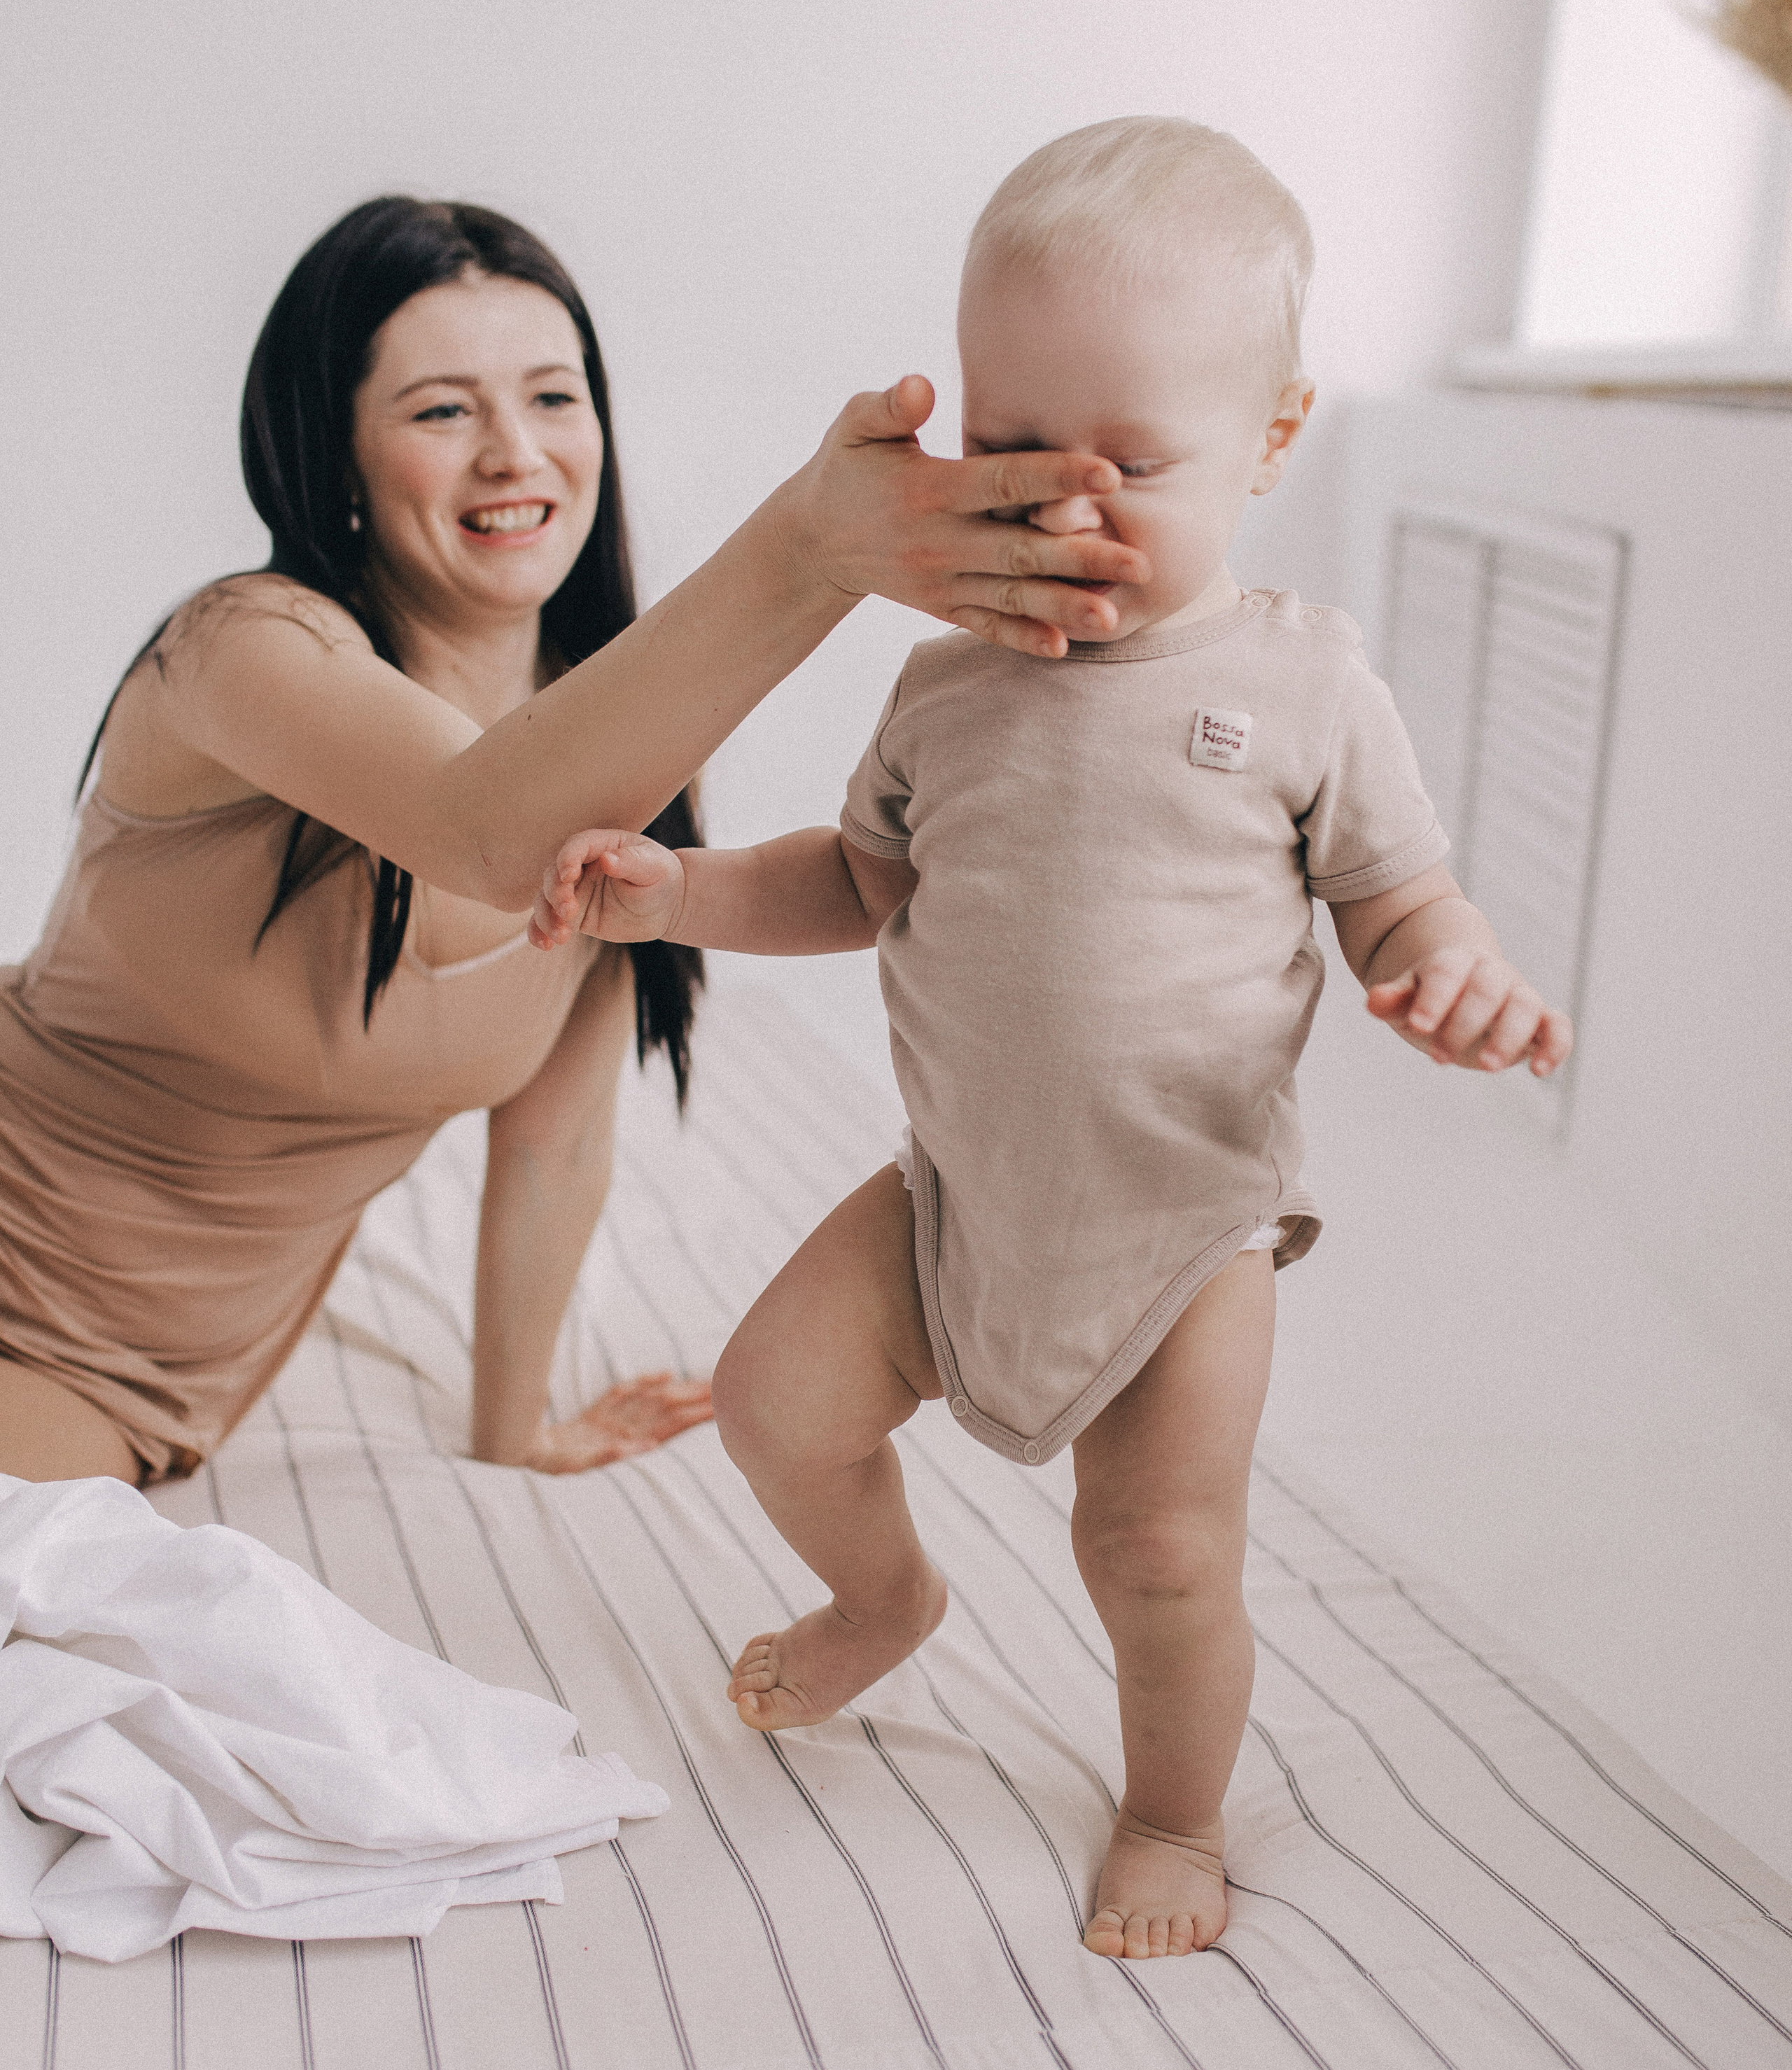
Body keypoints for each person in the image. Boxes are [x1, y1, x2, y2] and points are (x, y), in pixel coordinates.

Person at [527, 119, 1575, 1961]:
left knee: (1154, 1551)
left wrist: (1457, 971)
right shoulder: (947, 681)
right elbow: (851, 885)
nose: (1064, 510)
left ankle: (1173, 1812)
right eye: (1008, 454)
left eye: (1134, 464)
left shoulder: (1303, 683)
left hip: (1183, 1237)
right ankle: (886, 1598)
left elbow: (1404, 900)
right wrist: (676, 893)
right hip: (952, 1204)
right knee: (776, 1404)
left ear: (1269, 441)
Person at [0, 196, 1151, 1490]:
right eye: (442, 412)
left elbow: (553, 1142)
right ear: (337, 457)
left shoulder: (630, 754)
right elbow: (481, 828)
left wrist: (515, 1434)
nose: (514, 455)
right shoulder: (240, 652)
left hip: (136, 1369)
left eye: (554, 398)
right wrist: (811, 549)